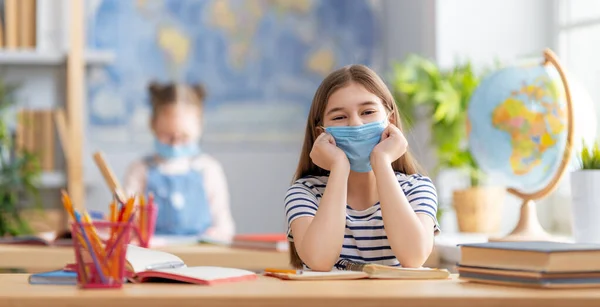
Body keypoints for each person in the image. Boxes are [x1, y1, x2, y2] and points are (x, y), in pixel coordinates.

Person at [285, 64, 440, 271]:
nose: (356, 125)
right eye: (340, 117)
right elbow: (319, 261)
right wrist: (339, 167)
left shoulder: (417, 188)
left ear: (390, 121)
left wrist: (382, 161)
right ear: (321, 133)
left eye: (367, 112)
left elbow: (414, 256)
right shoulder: (305, 192)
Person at [124, 82, 235, 242]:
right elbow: (128, 222)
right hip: (154, 255)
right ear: (153, 125)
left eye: (184, 137)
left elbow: (224, 224)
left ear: (199, 127)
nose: (175, 144)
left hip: (202, 256)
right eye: (167, 136)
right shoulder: (139, 170)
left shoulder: (209, 169)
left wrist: (219, 234)